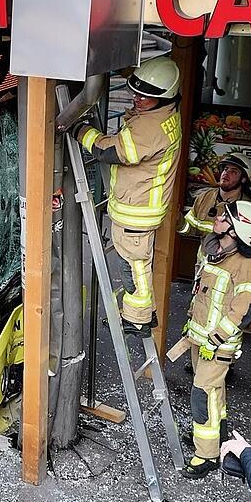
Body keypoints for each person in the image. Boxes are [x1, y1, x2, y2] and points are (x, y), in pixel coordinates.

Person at [77, 55, 183, 337]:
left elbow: (108, 151)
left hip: (135, 212)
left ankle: (137, 319)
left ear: (161, 98)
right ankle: (137, 312)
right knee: (136, 265)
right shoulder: (165, 109)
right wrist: (117, 64)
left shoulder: (149, 129)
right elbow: (144, 81)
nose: (137, 98)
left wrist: (79, 130)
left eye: (144, 97)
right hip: (141, 206)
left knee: (134, 268)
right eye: (136, 91)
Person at [170, 201, 251, 479]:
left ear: (237, 231)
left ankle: (207, 454)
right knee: (214, 394)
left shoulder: (247, 265)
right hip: (200, 339)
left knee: (202, 395)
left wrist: (217, 337)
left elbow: (244, 309)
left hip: (217, 345)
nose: (218, 218)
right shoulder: (215, 253)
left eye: (226, 217)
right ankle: (217, 437)